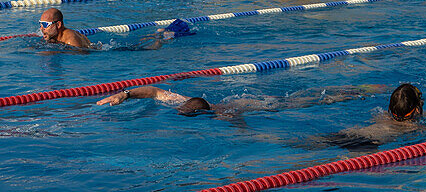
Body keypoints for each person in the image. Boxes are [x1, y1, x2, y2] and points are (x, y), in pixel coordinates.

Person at [97, 83, 387, 119]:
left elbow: (241, 126)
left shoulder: (222, 115)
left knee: (314, 100)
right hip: (249, 98)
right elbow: (156, 91)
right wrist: (124, 94)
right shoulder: (185, 101)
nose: (180, 108)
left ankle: (354, 91)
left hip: (262, 106)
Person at [317, 84, 425, 149]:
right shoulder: (413, 127)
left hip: (348, 133)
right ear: (416, 109)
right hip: (366, 144)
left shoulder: (384, 116)